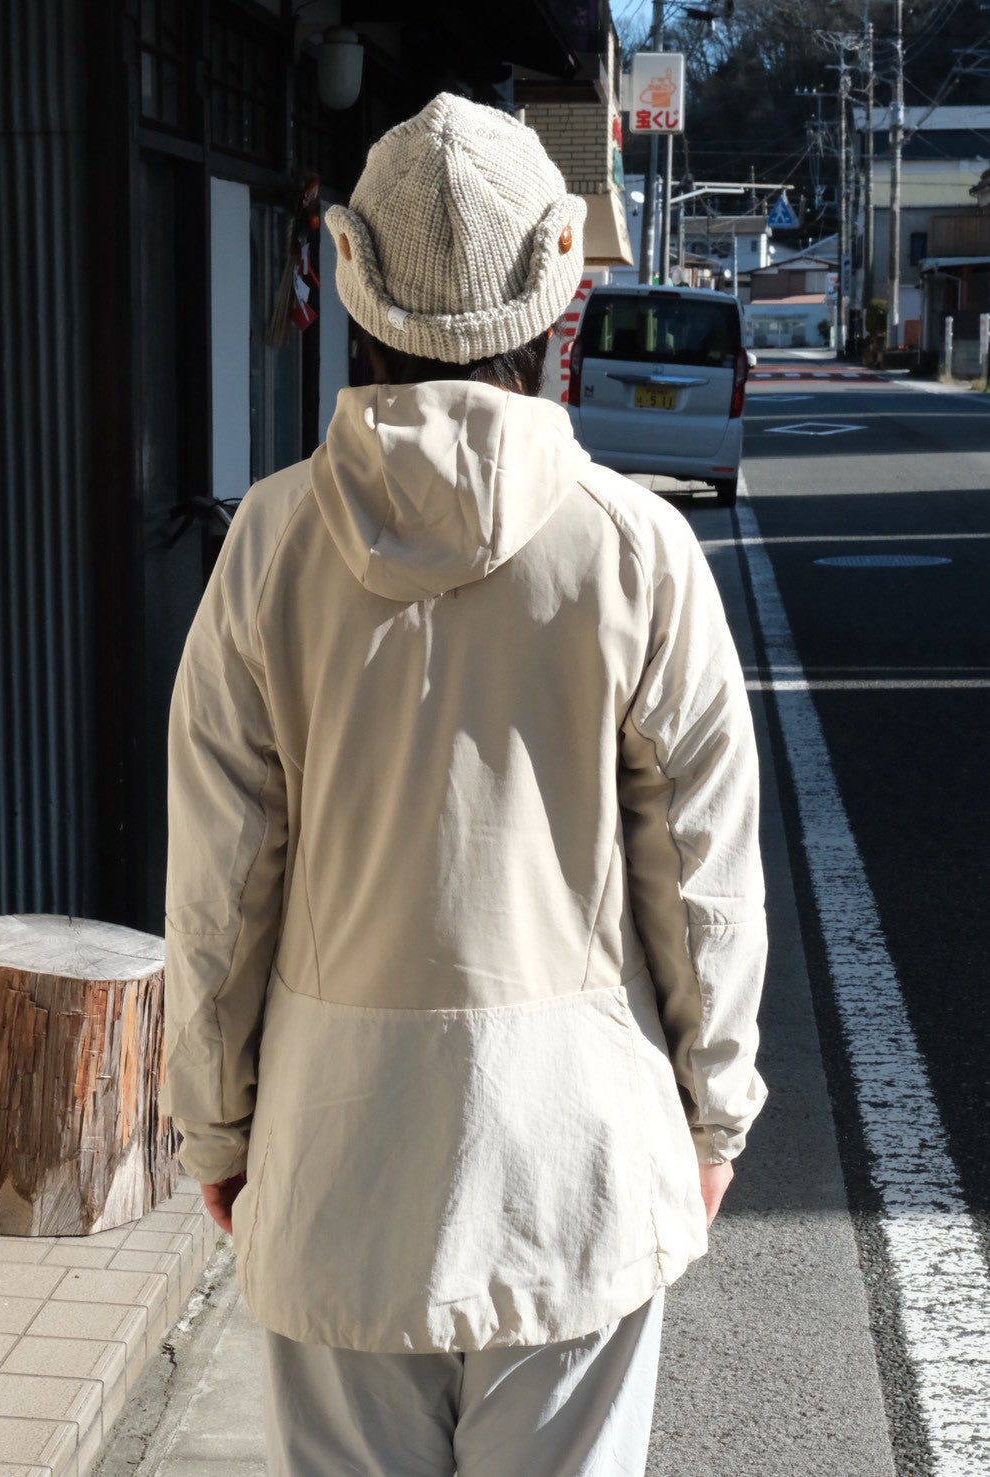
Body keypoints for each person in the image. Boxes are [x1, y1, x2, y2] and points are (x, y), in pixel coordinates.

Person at [163, 91, 767, 1477]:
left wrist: (217, 1122)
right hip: (578, 1163)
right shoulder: (638, 550)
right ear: (555, 295)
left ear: (353, 283)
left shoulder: (270, 545)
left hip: (335, 1151)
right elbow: (703, 878)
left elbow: (219, 884)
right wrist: (713, 1110)